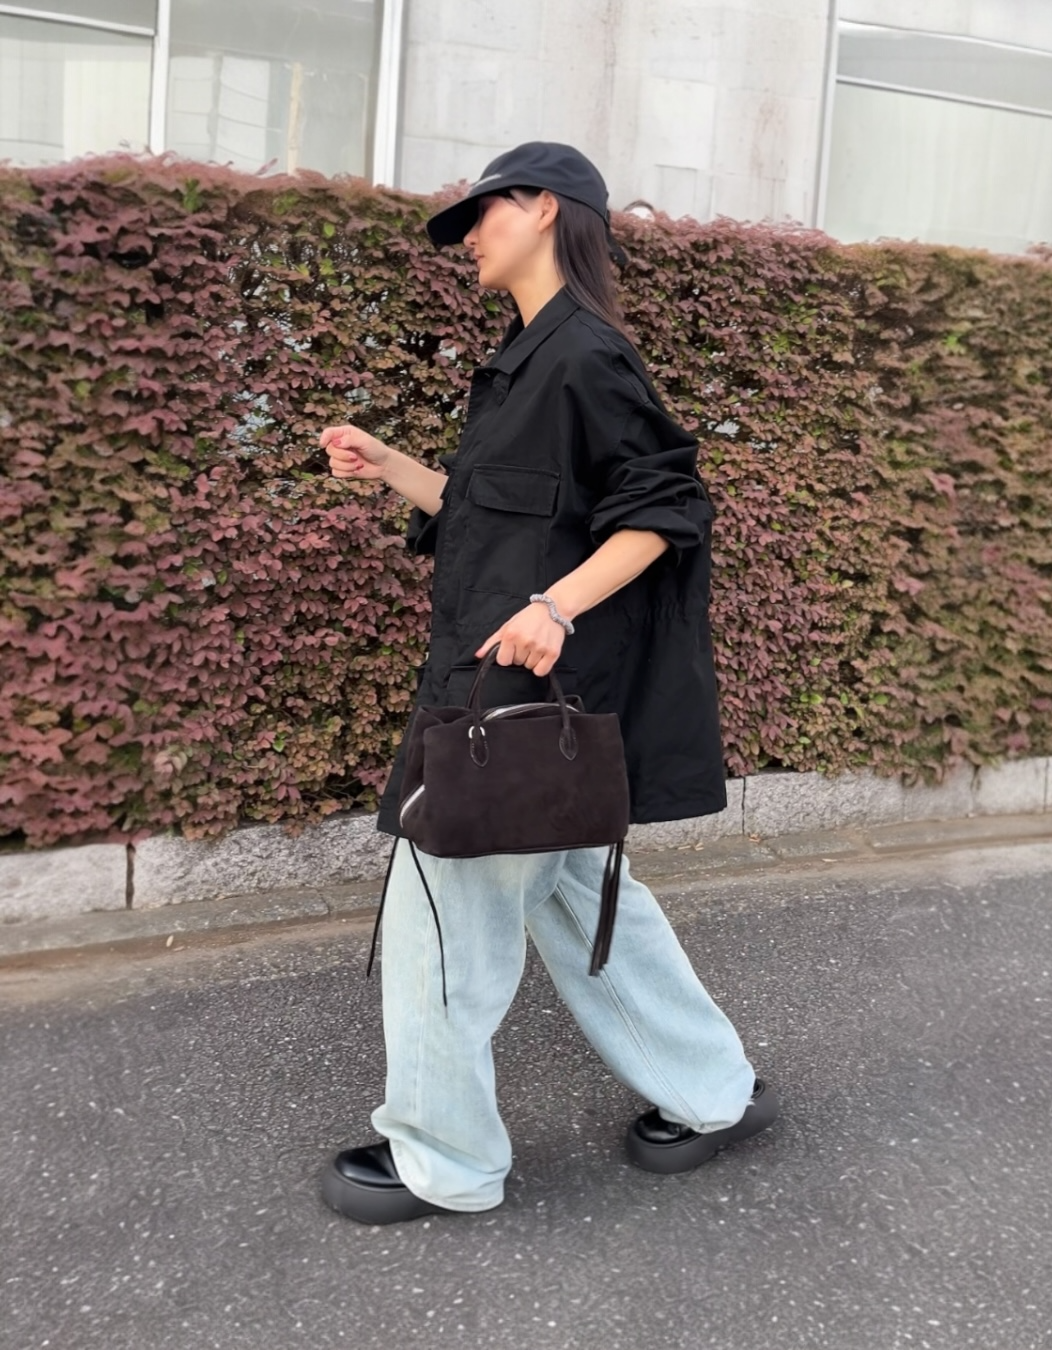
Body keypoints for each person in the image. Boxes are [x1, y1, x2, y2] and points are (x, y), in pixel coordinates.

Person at [317, 141, 778, 1226]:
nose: (469, 237)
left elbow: (666, 510)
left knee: (443, 915)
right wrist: (391, 467)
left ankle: (446, 1160)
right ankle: (713, 1094)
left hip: (518, 705)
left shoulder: (583, 356)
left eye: (484, 213)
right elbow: (494, 520)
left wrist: (558, 608)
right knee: (586, 901)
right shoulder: (526, 362)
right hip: (516, 702)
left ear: (543, 210)